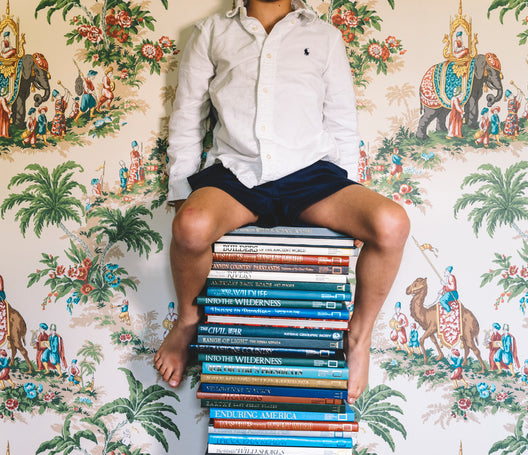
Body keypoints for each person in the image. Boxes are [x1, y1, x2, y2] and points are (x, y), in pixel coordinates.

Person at [154, 0, 410, 403]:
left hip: (310, 176)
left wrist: (351, 206)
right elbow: (187, 116)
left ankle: (359, 339)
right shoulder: (211, 33)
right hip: (237, 174)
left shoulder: (324, 36)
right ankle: (188, 323)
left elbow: (342, 122)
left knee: (392, 224)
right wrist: (180, 192)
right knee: (190, 226)